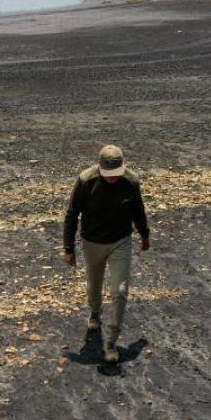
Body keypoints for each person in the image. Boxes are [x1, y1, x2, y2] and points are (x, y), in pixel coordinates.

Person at [62, 144, 150, 363]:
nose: (113, 179)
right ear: (99, 167)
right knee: (94, 285)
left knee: (120, 291)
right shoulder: (85, 181)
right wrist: (68, 248)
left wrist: (145, 235)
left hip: (121, 241)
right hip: (92, 242)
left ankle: (110, 342)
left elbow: (138, 209)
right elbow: (72, 214)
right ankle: (94, 312)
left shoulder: (131, 181)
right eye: (108, 176)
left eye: (116, 175)